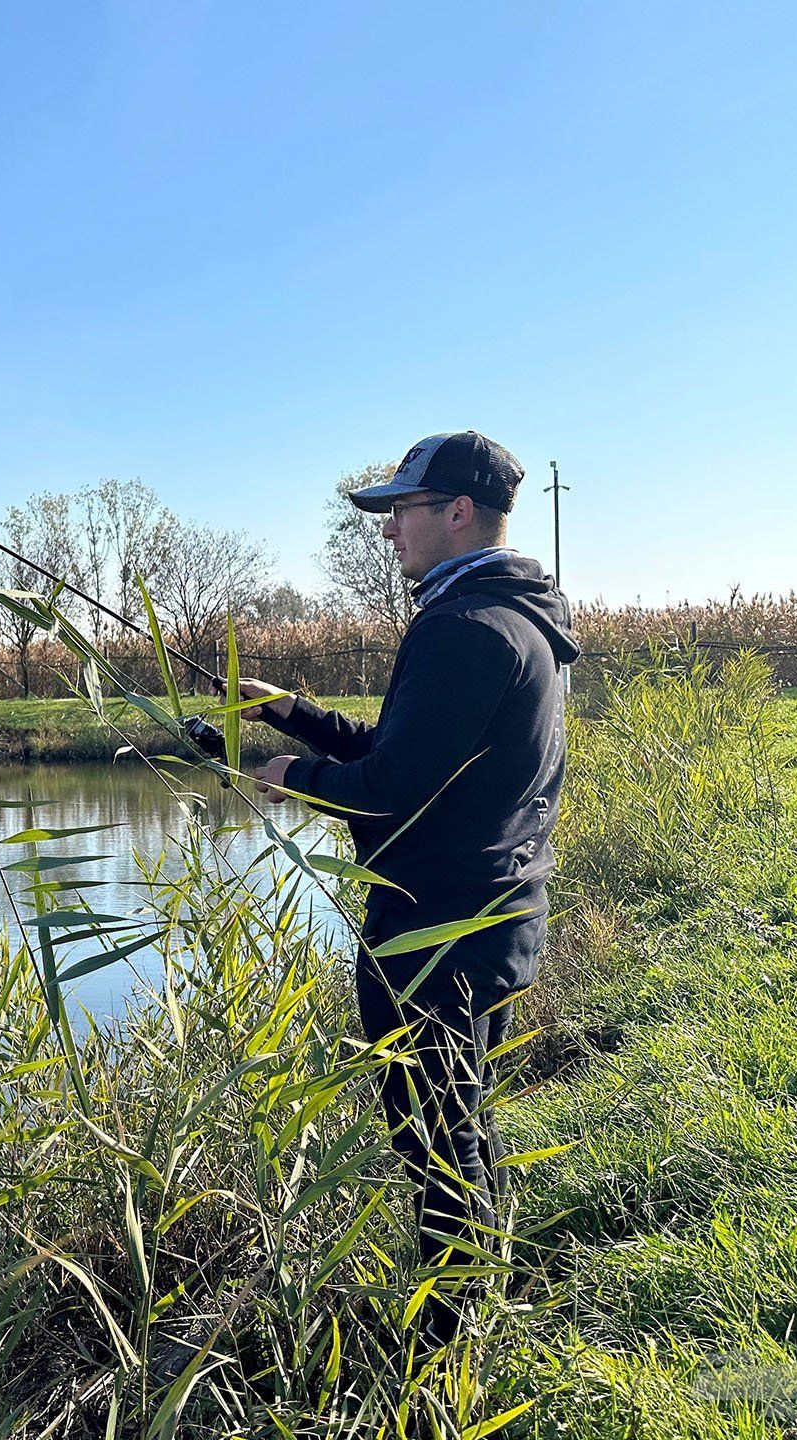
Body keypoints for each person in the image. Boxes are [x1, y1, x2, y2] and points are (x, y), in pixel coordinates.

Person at [239, 430, 579, 1349]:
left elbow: (394, 791)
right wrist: (298, 716)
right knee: (459, 1120)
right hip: (488, 918)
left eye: (403, 513)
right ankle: (478, 1297)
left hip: (435, 935)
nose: (390, 532)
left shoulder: (463, 629)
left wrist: (288, 777)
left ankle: (443, 1343)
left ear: (457, 513)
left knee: (435, 1141)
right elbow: (417, 759)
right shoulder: (513, 617)